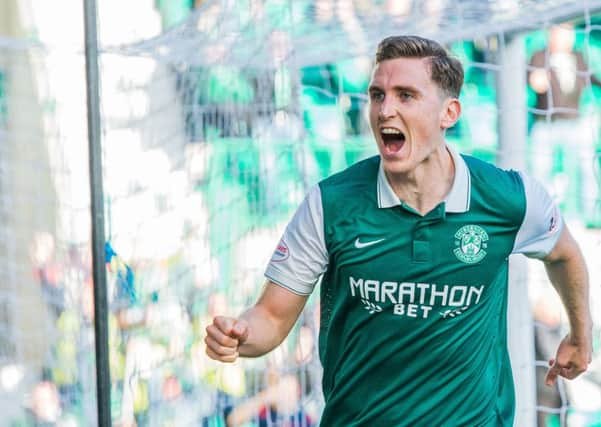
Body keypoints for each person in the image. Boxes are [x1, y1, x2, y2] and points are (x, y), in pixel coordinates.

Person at [205, 35, 592, 426]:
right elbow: (271, 316)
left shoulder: (507, 198)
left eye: (405, 96)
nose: (385, 109)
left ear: (449, 113)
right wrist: (240, 336)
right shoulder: (331, 203)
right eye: (377, 95)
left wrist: (580, 334)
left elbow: (564, 254)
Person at [528, 23, 601, 223]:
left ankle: (590, 215)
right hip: (546, 124)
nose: (564, 39)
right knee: (541, 169)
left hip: (575, 123)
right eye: (560, 34)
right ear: (550, 35)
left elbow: (592, 79)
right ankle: (542, 217)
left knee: (586, 167)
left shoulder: (578, 56)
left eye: (568, 34)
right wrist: (538, 79)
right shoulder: (539, 56)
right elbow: (534, 82)